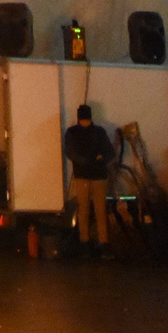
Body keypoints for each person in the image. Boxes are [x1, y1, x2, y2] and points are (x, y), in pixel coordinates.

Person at [63, 103, 114, 258]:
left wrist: (87, 161)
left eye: (86, 120)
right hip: (91, 175)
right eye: (83, 120)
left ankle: (96, 243)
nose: (85, 122)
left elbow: (72, 153)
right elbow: (71, 152)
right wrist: (97, 160)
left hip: (89, 175)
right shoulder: (97, 132)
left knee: (97, 210)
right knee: (86, 210)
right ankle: (89, 242)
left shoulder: (75, 132)